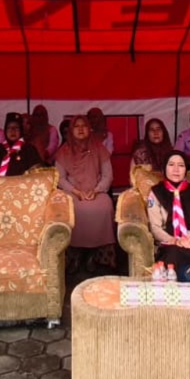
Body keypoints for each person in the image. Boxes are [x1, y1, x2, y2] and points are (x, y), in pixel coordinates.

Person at [146, 152, 190, 287]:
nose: (176, 169)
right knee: (172, 254)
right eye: (171, 165)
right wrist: (174, 240)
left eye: (181, 165)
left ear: (186, 169)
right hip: (170, 242)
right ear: (164, 168)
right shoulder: (155, 193)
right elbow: (155, 227)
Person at [55, 115, 116, 273]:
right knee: (70, 208)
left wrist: (96, 190)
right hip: (72, 192)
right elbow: (59, 178)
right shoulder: (63, 151)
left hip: (96, 190)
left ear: (89, 129)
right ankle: (75, 256)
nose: (81, 129)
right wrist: (76, 192)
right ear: (71, 130)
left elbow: (108, 176)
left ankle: (96, 256)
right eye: (77, 126)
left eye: (84, 126)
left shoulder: (99, 148)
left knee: (105, 206)